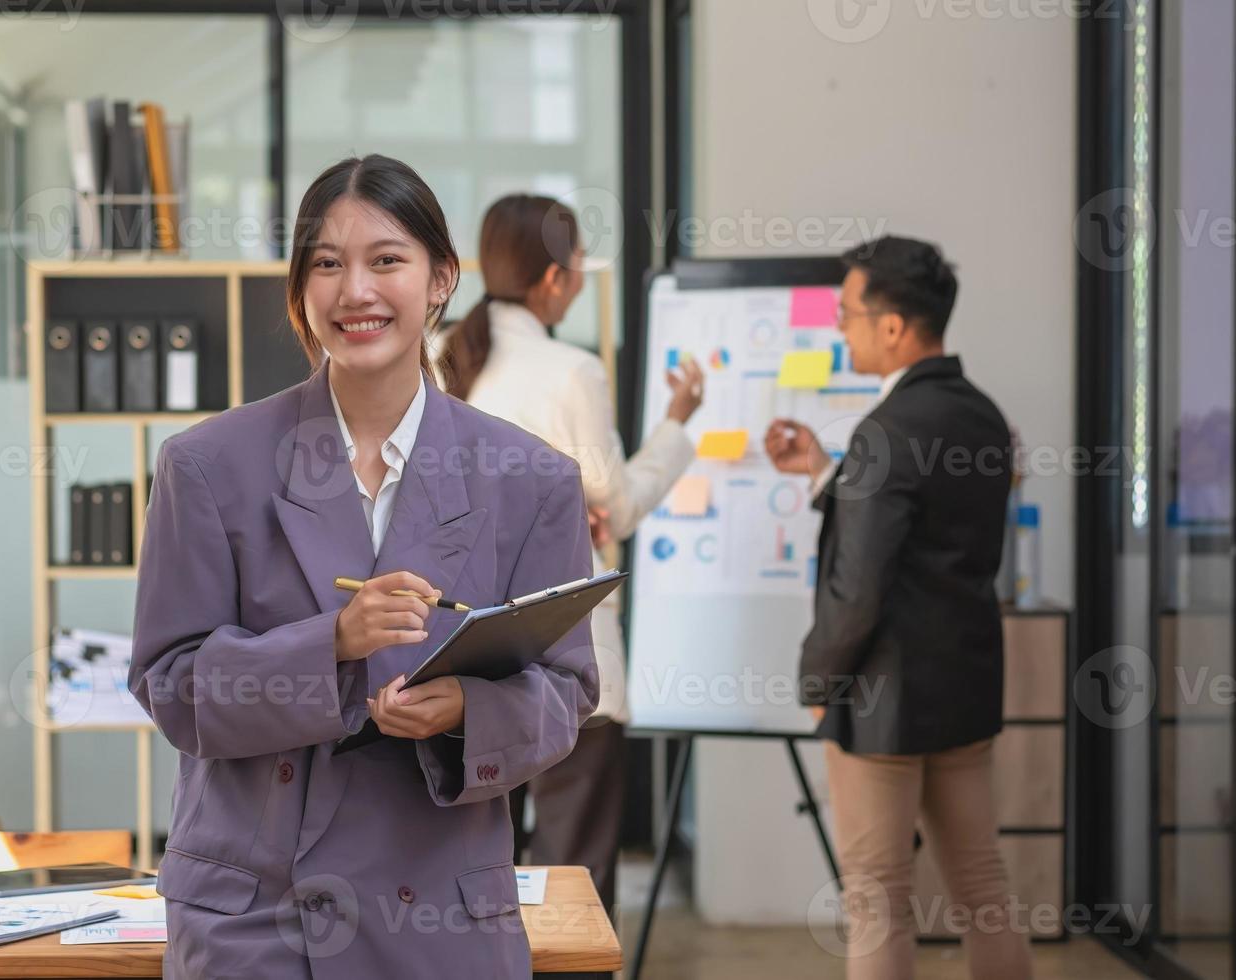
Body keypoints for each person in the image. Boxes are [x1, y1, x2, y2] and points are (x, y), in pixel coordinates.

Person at [129, 155, 599, 980]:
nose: (355, 291)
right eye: (326, 263)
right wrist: (332, 645)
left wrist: (466, 714)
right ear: (299, 289)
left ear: (441, 279)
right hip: (258, 922)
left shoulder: (530, 478)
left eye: (386, 260)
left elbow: (565, 692)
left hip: (443, 915)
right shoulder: (207, 465)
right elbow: (170, 684)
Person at [763, 236, 1032, 980]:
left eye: (846, 314)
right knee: (982, 885)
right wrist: (825, 473)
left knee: (877, 899)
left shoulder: (886, 432)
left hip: (880, 701)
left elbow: (859, 590)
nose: (838, 328)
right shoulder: (981, 416)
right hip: (964, 690)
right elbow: (924, 544)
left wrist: (815, 682)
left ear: (891, 327)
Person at [435, 194, 705, 912]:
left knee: (473, 872)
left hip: (462, 653)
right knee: (572, 882)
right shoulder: (571, 371)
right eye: (579, 261)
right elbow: (613, 506)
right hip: (565, 652)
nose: (582, 275)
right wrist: (676, 426)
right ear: (554, 279)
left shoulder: (440, 359)